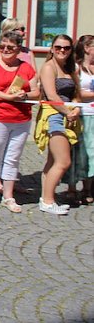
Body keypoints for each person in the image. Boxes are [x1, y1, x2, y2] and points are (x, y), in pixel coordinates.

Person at [0, 31, 39, 213]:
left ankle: (8, 195)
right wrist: (7, 97)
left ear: (18, 49)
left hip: (21, 119)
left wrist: (25, 95)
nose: (5, 50)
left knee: (12, 158)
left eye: (10, 47)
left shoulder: (26, 68)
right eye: (2, 46)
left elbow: (37, 91)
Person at [34, 34, 80, 215]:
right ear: (52, 48)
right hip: (53, 116)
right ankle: (47, 201)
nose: (62, 51)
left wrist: (75, 109)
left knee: (53, 160)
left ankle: (47, 197)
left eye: (67, 48)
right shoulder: (48, 67)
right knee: (63, 161)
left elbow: (76, 94)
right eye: (59, 47)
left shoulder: (70, 69)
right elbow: (52, 96)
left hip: (67, 115)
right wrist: (68, 112)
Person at [67, 35, 94, 205]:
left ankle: (87, 187)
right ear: (87, 48)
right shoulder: (77, 68)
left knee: (91, 153)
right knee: (77, 151)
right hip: (81, 114)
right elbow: (75, 92)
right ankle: (71, 187)